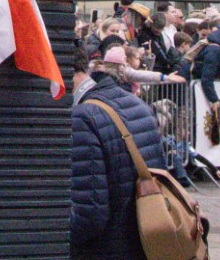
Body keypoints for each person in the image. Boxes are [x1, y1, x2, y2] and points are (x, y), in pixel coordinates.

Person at [71, 48, 171, 260]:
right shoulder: (137, 103)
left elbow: (88, 216)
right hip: (146, 244)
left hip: (107, 249)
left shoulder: (81, 117)